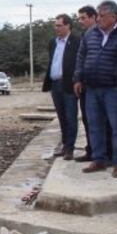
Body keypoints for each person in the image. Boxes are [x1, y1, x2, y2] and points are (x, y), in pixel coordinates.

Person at [74, 0, 117, 178]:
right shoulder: (91, 34)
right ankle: (99, 158)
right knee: (94, 125)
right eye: (97, 15)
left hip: (114, 88)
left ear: (114, 17)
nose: (98, 18)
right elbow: (81, 56)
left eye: (102, 15)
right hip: (91, 87)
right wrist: (78, 78)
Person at [43, 14, 80, 160]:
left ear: (68, 26)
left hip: (69, 84)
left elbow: (79, 62)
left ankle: (70, 148)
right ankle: (65, 144)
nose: (56, 28)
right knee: (62, 117)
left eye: (59, 25)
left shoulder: (76, 41)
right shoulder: (53, 42)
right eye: (55, 25)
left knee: (71, 117)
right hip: (55, 83)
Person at [73, 5, 98, 162]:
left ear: (93, 17)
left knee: (100, 121)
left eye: (83, 18)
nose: (80, 21)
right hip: (86, 85)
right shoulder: (86, 35)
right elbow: (81, 59)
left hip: (100, 86)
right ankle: (91, 150)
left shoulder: (100, 34)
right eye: (79, 18)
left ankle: (103, 153)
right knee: (87, 119)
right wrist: (78, 79)